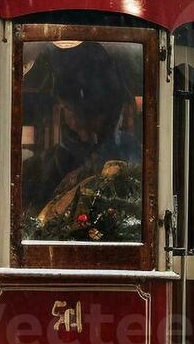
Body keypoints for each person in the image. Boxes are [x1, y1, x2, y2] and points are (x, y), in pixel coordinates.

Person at [20, 41, 141, 231]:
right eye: (70, 110)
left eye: (93, 113)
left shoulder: (126, 150)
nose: (77, 122)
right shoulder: (52, 160)